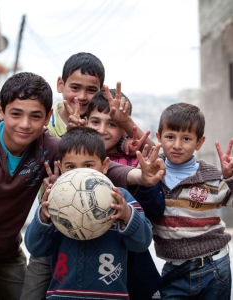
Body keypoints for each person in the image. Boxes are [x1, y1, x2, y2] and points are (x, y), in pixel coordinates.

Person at [0, 72, 165, 299]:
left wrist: (140, 177)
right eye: (16, 114)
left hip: (3, 243)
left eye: (35, 116)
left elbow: (93, 169)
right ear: (1, 110)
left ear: (47, 117)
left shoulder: (50, 147)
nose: (25, 124)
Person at [24, 126, 163, 300]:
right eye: (71, 167)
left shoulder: (120, 197)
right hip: (61, 296)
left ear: (105, 166)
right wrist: (43, 218)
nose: (80, 173)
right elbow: (35, 247)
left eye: (88, 165)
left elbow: (142, 243)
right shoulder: (55, 200)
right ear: (60, 167)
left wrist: (128, 215)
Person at [137, 102, 233, 299]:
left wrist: (229, 178)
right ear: (159, 138)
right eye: (170, 137)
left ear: (199, 142)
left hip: (214, 266)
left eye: (187, 138)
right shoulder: (151, 174)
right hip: (174, 271)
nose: (177, 145)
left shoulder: (210, 177)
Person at [85, 89, 163, 299]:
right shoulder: (76, 161)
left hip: (134, 267)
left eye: (112, 124)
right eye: (95, 122)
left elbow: (155, 210)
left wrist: (146, 183)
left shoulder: (137, 159)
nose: (102, 130)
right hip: (88, 266)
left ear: (124, 130)